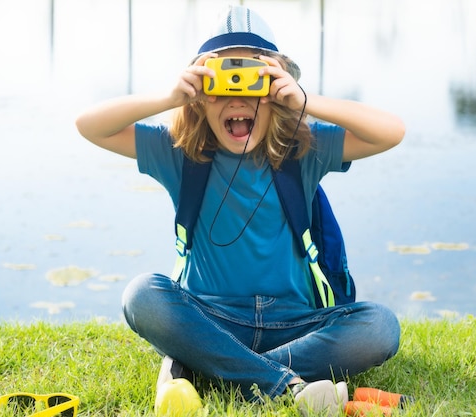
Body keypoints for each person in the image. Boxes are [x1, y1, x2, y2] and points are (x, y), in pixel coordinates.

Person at [76, 5, 405, 416]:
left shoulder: (303, 150)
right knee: (140, 295)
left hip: (294, 321)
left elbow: (392, 132)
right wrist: (167, 97)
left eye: (255, 83)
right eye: (222, 83)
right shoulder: (180, 153)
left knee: (379, 327)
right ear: (197, 98)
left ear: (278, 94)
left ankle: (214, 368)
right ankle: (282, 385)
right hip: (209, 316)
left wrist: (306, 100)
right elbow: (89, 125)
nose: (238, 95)